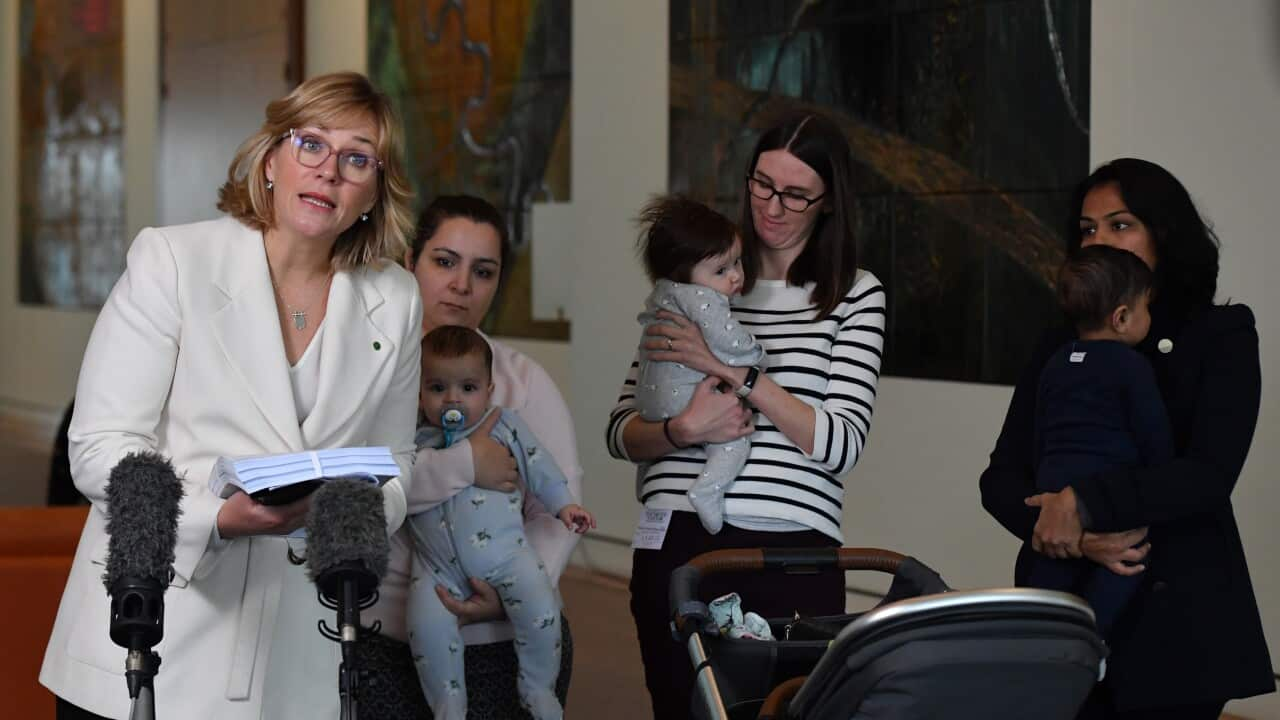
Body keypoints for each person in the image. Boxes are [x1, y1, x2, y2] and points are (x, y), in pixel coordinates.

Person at [40, 71, 422, 720]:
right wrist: (216, 516)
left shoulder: (397, 297)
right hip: (153, 631)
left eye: (357, 158)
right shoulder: (174, 261)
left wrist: (345, 516)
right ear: (271, 160)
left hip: (296, 657)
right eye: (311, 144)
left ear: (373, 193)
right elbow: (100, 447)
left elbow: (394, 463)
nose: (329, 170)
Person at [606, 112, 886, 719]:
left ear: (829, 201)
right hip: (673, 535)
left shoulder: (854, 293)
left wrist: (736, 373)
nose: (772, 207)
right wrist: (683, 430)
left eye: (794, 194)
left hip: (790, 549)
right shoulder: (696, 273)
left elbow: (838, 443)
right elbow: (621, 429)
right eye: (762, 184)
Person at [980, 158, 1273, 718]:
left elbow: (1207, 476)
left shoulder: (1221, 334)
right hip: (1063, 615)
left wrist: (1082, 504)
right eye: (1087, 229)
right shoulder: (1059, 345)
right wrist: (1070, 536)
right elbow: (1000, 477)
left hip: (1178, 634)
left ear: (1164, 234)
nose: (1099, 241)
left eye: (1120, 225)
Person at [361, 195, 584, 719]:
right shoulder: (371, 372)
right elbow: (361, 490)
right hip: (387, 639)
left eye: (482, 272)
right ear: (409, 261)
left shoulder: (523, 381)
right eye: (444, 262)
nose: (462, 285)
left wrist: (510, 594)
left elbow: (558, 510)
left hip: (506, 644)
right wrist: (464, 465)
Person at [407, 325, 594, 720]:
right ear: (420, 392)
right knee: (425, 629)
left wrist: (564, 505)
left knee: (541, 609)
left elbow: (540, 464)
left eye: (468, 388)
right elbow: (398, 487)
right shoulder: (415, 441)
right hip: (434, 568)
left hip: (508, 556)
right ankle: (448, 704)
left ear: (489, 391)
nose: (452, 400)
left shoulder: (502, 425)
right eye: (438, 388)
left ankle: (538, 686)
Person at [1026, 244, 1172, 636]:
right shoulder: (1133, 367)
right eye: (1146, 309)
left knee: (1048, 578)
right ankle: (1092, 644)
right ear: (1122, 317)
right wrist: (1161, 473)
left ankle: (1035, 646)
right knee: (1124, 562)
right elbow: (1153, 433)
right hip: (1108, 493)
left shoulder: (1055, 362)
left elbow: (1039, 430)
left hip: (1054, 493)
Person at [632, 195, 763, 534]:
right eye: (721, 270)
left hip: (650, 404)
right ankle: (708, 489)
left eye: (737, 263)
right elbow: (728, 343)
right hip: (685, 399)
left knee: (654, 455)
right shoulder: (704, 300)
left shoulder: (664, 296)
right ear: (685, 273)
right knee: (734, 438)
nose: (735, 277)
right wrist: (755, 354)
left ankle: (646, 481)